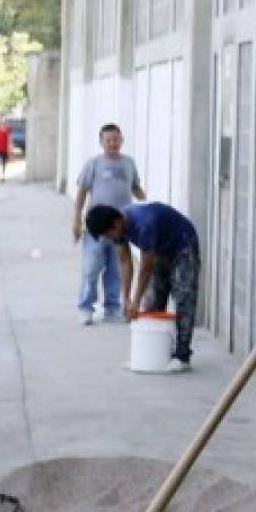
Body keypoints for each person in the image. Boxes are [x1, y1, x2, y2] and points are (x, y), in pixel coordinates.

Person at [85, 201, 200, 372]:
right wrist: (126, 299)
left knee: (183, 298)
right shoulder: (119, 229)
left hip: (183, 246)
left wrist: (135, 301)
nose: (110, 238)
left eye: (109, 234)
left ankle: (182, 356)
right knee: (153, 302)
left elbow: (145, 269)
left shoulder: (144, 224)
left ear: (116, 223)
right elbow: (125, 262)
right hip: (161, 249)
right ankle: (155, 354)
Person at [72, 124, 146, 324]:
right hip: (97, 227)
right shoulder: (93, 164)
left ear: (122, 140)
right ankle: (86, 307)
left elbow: (136, 187)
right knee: (91, 267)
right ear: (101, 142)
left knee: (116, 269)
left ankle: (111, 308)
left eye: (116, 139)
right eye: (108, 140)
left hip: (121, 228)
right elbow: (81, 193)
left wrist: (144, 197)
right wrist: (76, 220)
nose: (113, 143)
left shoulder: (129, 163)